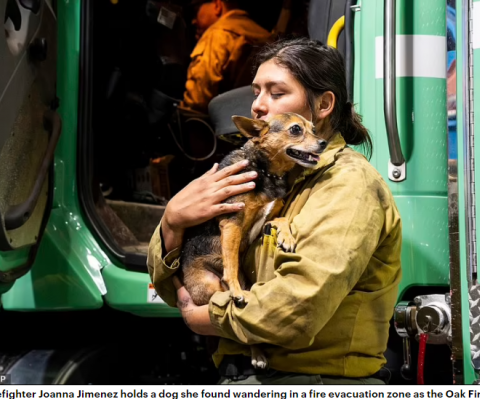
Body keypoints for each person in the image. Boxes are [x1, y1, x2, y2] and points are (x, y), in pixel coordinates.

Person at [147, 38, 403, 384]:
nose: (258, 106)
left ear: (324, 104)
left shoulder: (348, 185)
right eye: (256, 92)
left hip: (312, 380)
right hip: (245, 375)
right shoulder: (266, 177)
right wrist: (173, 221)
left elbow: (299, 310)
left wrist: (207, 317)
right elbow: (176, 289)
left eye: (276, 93)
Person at [180, 0, 272, 115]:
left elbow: (197, 101)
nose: (193, 20)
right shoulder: (263, 34)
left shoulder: (217, 34)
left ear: (217, 4)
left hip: (224, 129)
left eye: (196, 11)